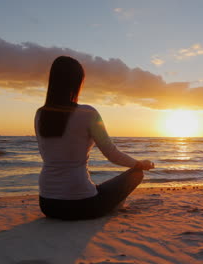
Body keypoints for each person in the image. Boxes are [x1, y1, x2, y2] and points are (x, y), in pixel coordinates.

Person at [35, 56, 154, 220]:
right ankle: (116, 207)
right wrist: (139, 164)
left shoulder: (40, 114)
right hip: (82, 205)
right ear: (77, 83)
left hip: (47, 204)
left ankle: (103, 199)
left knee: (96, 188)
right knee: (137, 174)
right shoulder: (88, 113)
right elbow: (111, 153)